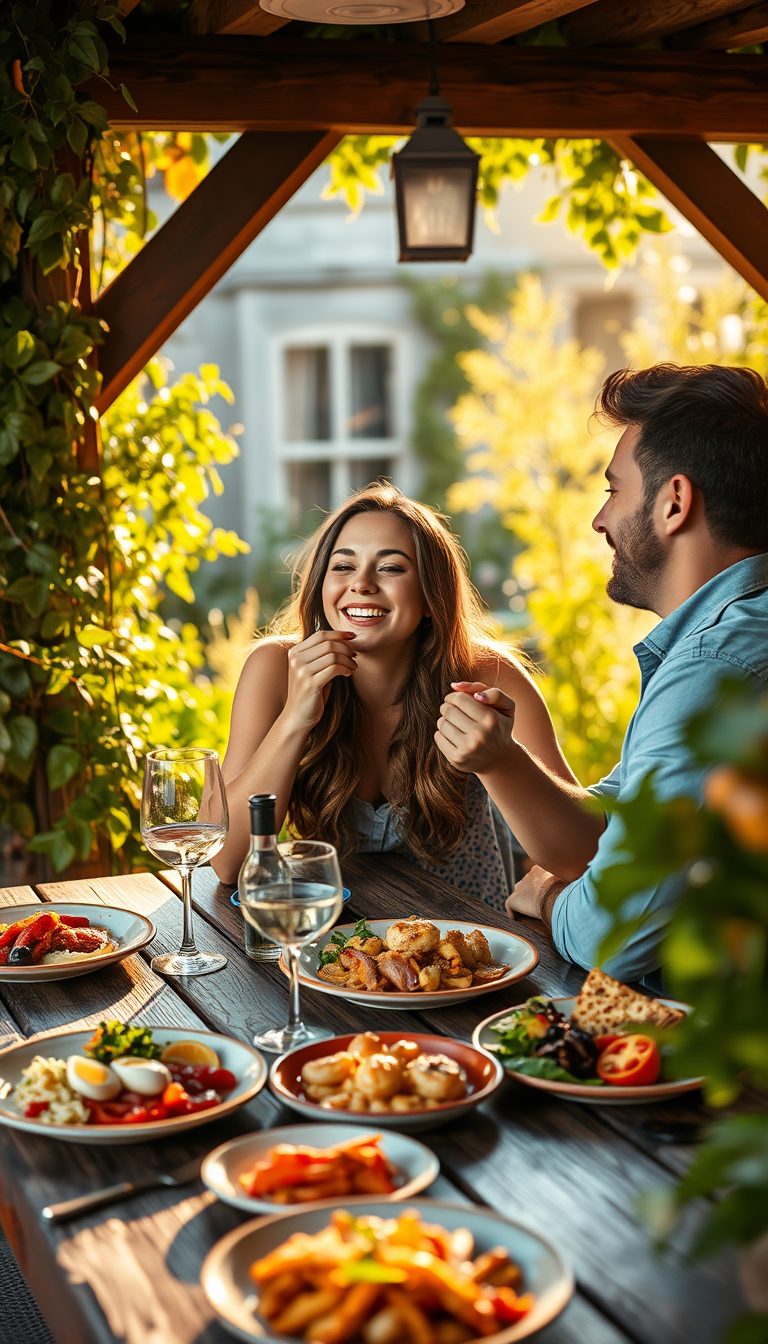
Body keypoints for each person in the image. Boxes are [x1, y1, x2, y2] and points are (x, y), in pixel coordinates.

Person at [435, 364, 768, 983]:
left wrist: (550, 899)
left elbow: (609, 935)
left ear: (674, 502)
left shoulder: (715, 670)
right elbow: (610, 830)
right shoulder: (726, 638)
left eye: (614, 489)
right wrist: (501, 758)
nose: (599, 520)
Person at [212, 484, 574, 906]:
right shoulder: (276, 668)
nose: (361, 584)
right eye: (343, 566)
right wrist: (295, 718)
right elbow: (227, 863)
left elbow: (576, 852)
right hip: (333, 952)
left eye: (391, 568)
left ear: (429, 597)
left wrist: (502, 762)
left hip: (471, 950)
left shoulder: (489, 677)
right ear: (321, 585)